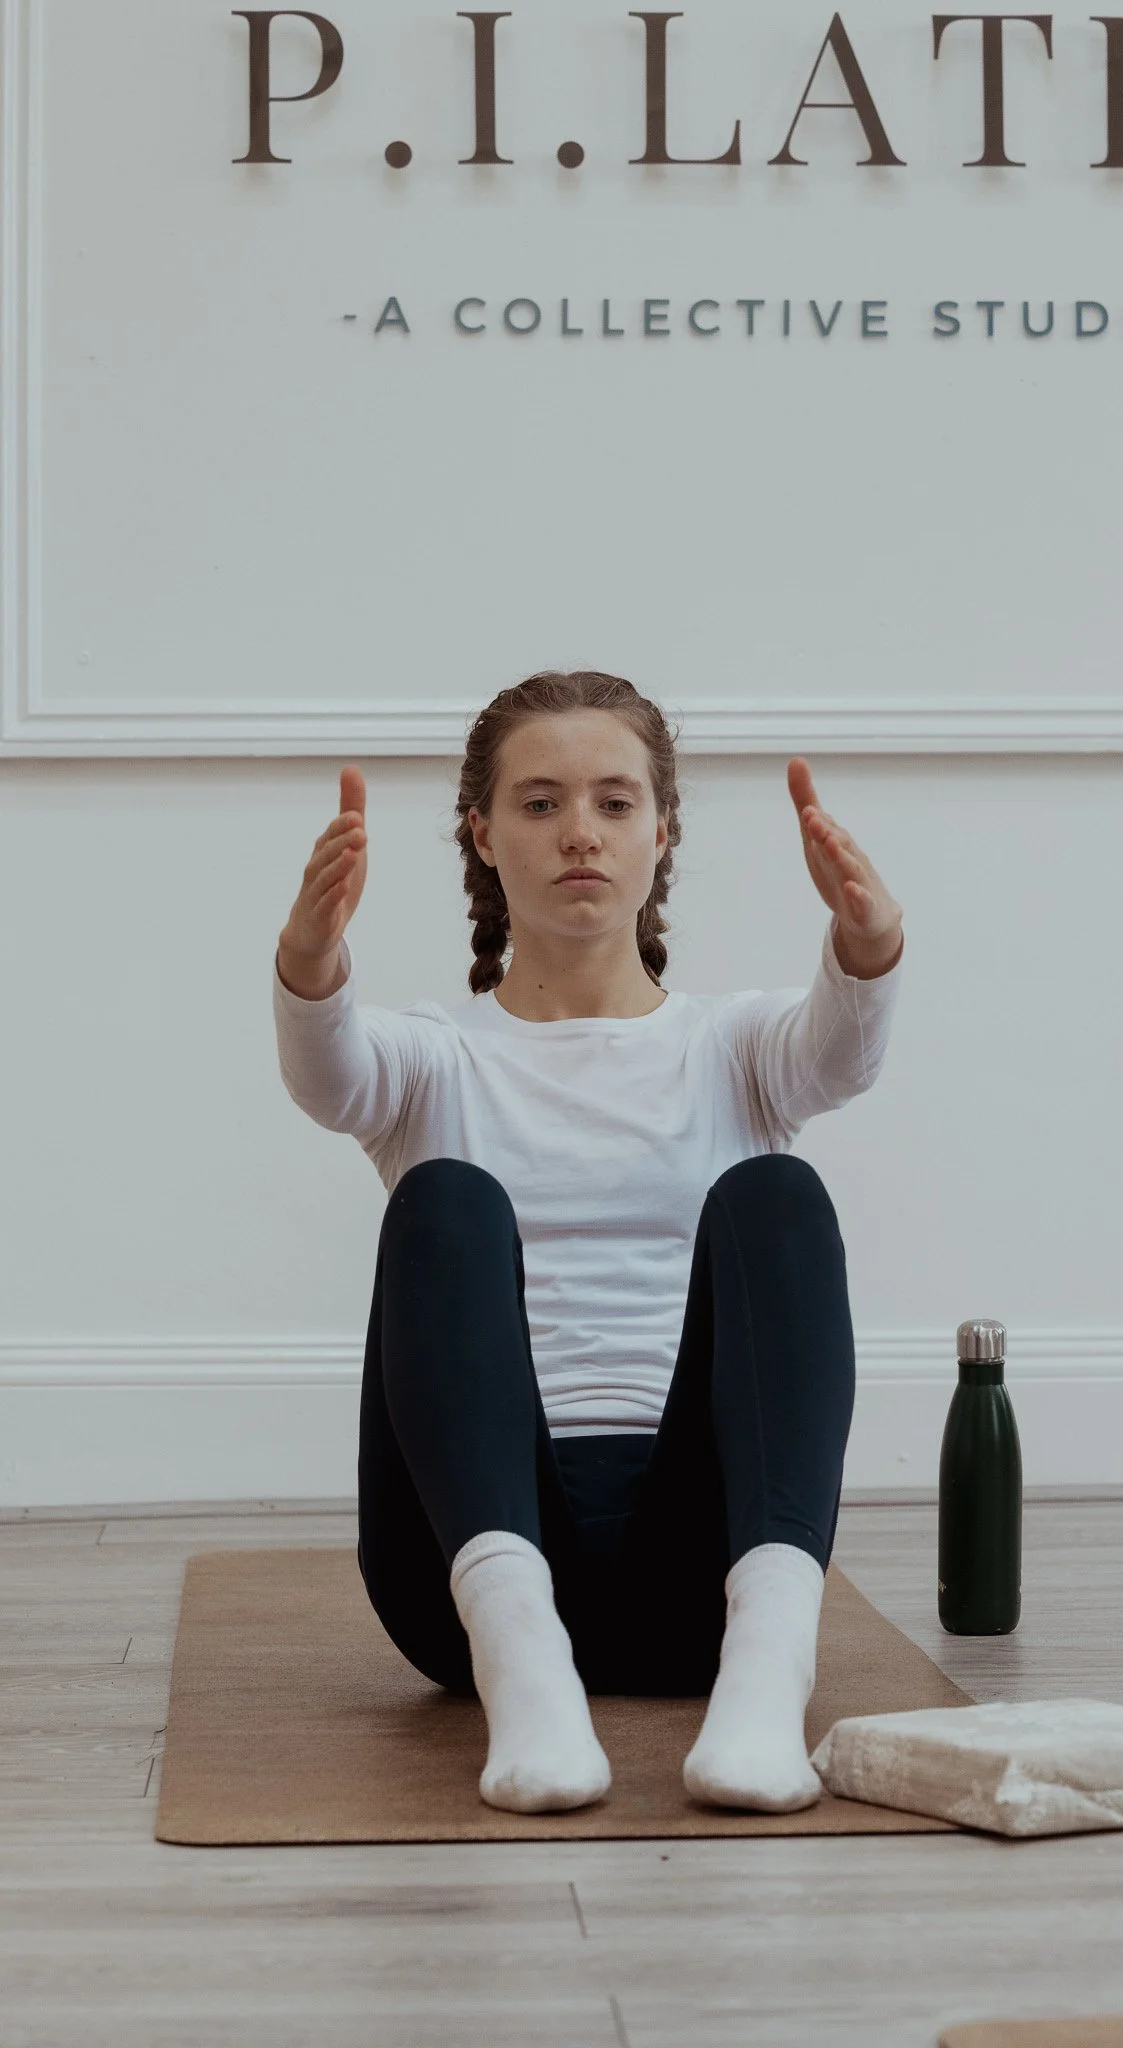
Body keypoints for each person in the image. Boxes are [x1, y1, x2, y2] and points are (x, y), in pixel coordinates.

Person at [273, 670, 904, 1817]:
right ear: (483, 832)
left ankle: (768, 1675)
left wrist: (867, 942)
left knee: (780, 1193)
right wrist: (313, 959)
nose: (581, 834)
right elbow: (331, 1073)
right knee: (444, 1199)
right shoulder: (432, 1056)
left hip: (700, 1568)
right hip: (463, 1579)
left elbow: (840, 1053)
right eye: (541, 802)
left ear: (663, 833)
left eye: (616, 803)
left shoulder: (736, 1045)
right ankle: (528, 1677)